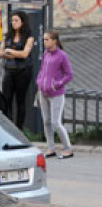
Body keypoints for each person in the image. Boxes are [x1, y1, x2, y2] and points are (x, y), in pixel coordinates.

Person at [36, 30, 75, 159]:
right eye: (44, 39)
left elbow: (69, 75)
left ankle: (68, 148)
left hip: (56, 94)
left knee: (56, 123)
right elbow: (42, 70)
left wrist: (56, 84)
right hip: (43, 93)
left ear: (54, 41)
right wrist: (39, 81)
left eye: (47, 39)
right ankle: (51, 148)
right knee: (46, 121)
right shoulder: (46, 53)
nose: (44, 42)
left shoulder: (62, 56)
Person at [0, 11, 35, 129]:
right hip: (9, 70)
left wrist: (10, 51)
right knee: (6, 99)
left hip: (23, 71)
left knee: (20, 100)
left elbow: (25, 54)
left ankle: (19, 127)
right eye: (12, 21)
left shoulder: (29, 36)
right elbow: (0, 53)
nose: (13, 23)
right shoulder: (8, 35)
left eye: (16, 21)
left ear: (22, 22)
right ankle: (8, 126)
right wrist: (8, 54)